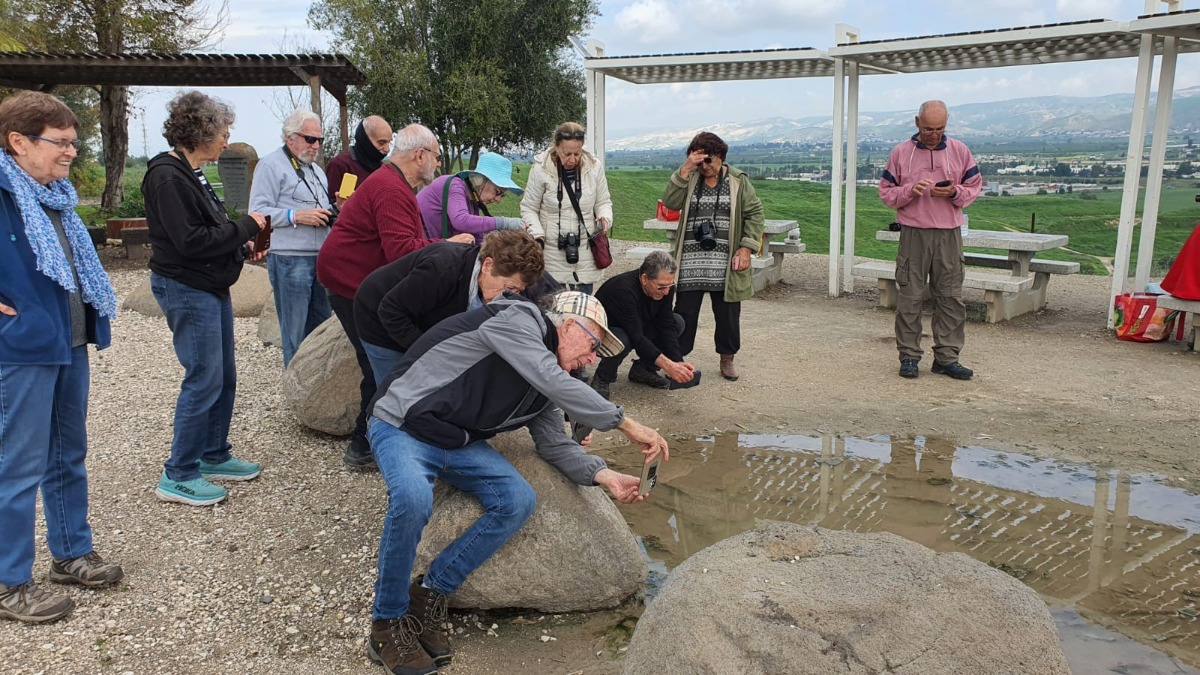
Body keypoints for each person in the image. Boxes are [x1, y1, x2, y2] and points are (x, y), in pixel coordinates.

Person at [364, 290, 668, 674]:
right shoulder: (517, 320)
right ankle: (386, 622)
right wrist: (625, 423)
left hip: (454, 443)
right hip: (400, 425)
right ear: (568, 325)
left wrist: (605, 476)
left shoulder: (547, 381)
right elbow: (548, 376)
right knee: (411, 498)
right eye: (593, 346)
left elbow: (555, 444)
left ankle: (430, 593)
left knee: (516, 499)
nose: (592, 359)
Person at [0, 91, 123, 623]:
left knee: (66, 455)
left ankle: (70, 553)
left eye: (75, 142)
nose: (72, 152)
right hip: (22, 348)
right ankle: (9, 582)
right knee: (18, 466)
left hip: (68, 342)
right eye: (62, 143)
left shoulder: (55, 195)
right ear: (18, 142)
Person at [317, 124, 474, 470]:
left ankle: (373, 440)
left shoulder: (391, 182)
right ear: (419, 155)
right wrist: (447, 245)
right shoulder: (391, 188)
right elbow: (401, 251)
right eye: (435, 156)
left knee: (381, 361)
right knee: (379, 365)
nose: (437, 164)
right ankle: (365, 446)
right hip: (349, 282)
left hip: (355, 279)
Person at [142, 91, 269, 506]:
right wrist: (247, 227)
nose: (227, 142)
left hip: (209, 286)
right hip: (186, 287)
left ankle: (213, 454)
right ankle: (178, 473)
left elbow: (208, 232)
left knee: (223, 376)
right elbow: (190, 241)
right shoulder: (166, 176)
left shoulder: (190, 171)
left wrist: (240, 247)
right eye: (224, 133)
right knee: (203, 377)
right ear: (201, 131)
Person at [354, 230, 544, 386]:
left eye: (516, 291)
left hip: (418, 313)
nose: (507, 297)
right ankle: (376, 429)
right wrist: (429, 354)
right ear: (487, 265)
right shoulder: (443, 269)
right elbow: (390, 310)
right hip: (378, 314)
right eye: (508, 288)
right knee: (396, 389)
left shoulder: (505, 280)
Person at [878, 100, 982, 381]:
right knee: (910, 296)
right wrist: (910, 191)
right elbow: (886, 192)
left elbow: (974, 188)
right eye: (928, 129)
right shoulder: (901, 153)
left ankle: (947, 358)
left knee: (950, 296)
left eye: (940, 129)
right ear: (916, 123)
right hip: (914, 233)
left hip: (949, 233)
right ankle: (909, 356)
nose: (934, 135)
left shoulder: (960, 151)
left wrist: (954, 193)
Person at [661, 131, 764, 382]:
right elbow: (669, 203)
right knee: (683, 314)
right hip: (690, 261)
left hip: (726, 262)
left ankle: (727, 358)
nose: (705, 166)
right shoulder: (690, 177)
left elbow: (755, 213)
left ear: (720, 157)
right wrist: (685, 169)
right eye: (700, 160)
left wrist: (746, 248)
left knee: (728, 313)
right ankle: (677, 360)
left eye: (710, 160)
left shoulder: (738, 180)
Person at [249, 109, 334, 367]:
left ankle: (316, 387)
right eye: (310, 139)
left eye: (319, 140)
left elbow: (320, 208)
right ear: (290, 138)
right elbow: (258, 211)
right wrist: (296, 216)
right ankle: (294, 387)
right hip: (290, 259)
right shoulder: (270, 165)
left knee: (321, 329)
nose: (316, 145)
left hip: (320, 257)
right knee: (294, 330)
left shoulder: (316, 171)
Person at [521, 122, 613, 295]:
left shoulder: (594, 167)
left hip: (585, 253)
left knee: (581, 313)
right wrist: (537, 235)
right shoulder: (541, 169)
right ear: (556, 146)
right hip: (550, 253)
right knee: (551, 311)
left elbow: (603, 202)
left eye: (577, 153)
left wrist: (605, 218)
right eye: (566, 154)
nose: (572, 159)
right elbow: (529, 208)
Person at [592, 250, 695, 398]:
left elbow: (666, 324)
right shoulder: (623, 290)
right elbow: (636, 337)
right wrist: (668, 366)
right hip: (607, 332)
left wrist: (677, 361)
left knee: (676, 322)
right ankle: (602, 377)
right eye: (661, 287)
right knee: (623, 339)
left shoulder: (665, 287)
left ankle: (643, 369)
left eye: (670, 285)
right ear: (645, 278)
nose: (666, 292)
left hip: (637, 325)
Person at [417, 151, 525, 244]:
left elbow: (477, 237)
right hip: (415, 250)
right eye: (497, 192)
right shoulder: (455, 186)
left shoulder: (472, 201)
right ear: (480, 180)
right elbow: (461, 221)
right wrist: (505, 223)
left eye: (502, 195)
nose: (498, 199)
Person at [325, 115, 392, 204]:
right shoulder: (341, 165)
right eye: (381, 143)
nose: (387, 149)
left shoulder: (384, 169)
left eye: (389, 142)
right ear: (365, 139)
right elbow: (331, 204)